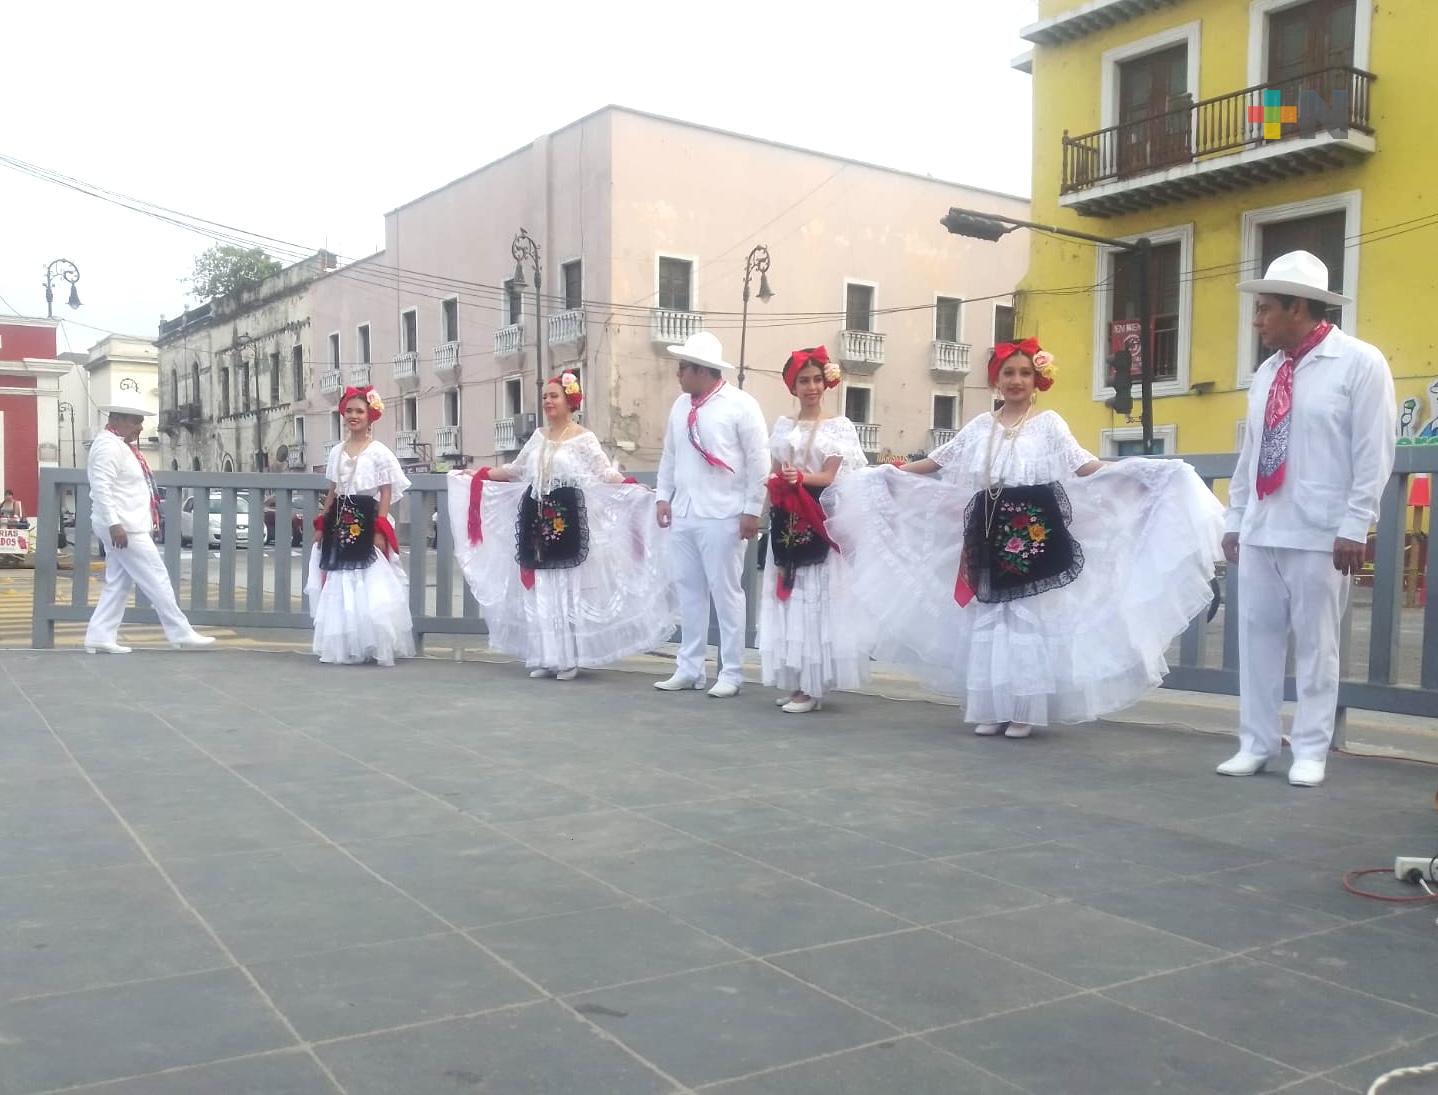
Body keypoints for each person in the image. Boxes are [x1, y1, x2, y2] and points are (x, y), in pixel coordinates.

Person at [824, 339, 1224, 737]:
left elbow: (1084, 466)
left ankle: (1024, 710)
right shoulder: (981, 426)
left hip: (1033, 527)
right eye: (1008, 373)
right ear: (996, 380)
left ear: (1037, 380)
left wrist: (1142, 472)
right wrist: (890, 474)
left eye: (1025, 373)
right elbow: (937, 461)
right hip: (987, 527)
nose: (1016, 380)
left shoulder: (1049, 425)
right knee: (990, 614)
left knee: (1026, 618)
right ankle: (993, 705)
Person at [1217, 251, 1396, 787]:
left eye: (1265, 309)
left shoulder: (1360, 363)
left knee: (1318, 644)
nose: (1257, 320)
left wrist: (1354, 524)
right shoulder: (1268, 371)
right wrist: (1236, 517)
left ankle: (1312, 748)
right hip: (1263, 527)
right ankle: (1257, 741)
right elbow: (1251, 452)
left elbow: (1374, 451)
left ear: (1299, 307)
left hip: (1321, 530)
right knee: (1256, 638)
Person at [448, 371, 673, 679]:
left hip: (568, 520)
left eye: (554, 396)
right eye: (545, 397)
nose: (548, 401)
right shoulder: (538, 437)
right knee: (541, 586)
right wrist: (479, 474)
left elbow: (604, 474)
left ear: (570, 400)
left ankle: (566, 658)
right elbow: (517, 470)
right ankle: (545, 656)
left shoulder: (584, 438)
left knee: (566, 587)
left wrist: (633, 488)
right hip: (537, 520)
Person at [654, 330, 769, 698]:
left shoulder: (741, 405)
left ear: (702, 371)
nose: (678, 374)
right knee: (689, 591)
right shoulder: (679, 406)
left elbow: (758, 462)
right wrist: (663, 496)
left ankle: (732, 672)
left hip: (724, 514)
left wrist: (752, 509)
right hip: (686, 511)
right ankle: (689, 668)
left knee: (726, 593)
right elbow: (670, 455)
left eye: (682, 368)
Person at [758, 347, 869, 713]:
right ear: (793, 386)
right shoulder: (783, 426)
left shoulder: (838, 427)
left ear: (826, 383)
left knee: (814, 599)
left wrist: (800, 478)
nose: (811, 387)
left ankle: (813, 686)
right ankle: (797, 682)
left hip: (817, 519)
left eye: (817, 380)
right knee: (789, 595)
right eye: (804, 381)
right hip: (787, 520)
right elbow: (775, 469)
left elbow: (832, 476)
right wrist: (766, 507)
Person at [83, 404, 215, 654]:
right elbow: (101, 487)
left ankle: (99, 634)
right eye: (135, 421)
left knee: (118, 582)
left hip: (126, 524)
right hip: (123, 527)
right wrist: (114, 524)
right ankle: (180, 631)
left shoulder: (118, 446)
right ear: (118, 419)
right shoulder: (109, 446)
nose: (141, 427)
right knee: (157, 577)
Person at [305, 386, 414, 666]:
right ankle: (345, 644)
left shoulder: (379, 452)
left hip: (367, 516)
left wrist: (379, 527)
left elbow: (387, 491)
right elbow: (333, 490)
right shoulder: (337, 452)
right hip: (341, 519)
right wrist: (322, 522)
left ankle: (373, 642)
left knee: (371, 579)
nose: (353, 416)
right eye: (349, 411)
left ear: (370, 416)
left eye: (359, 411)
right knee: (340, 579)